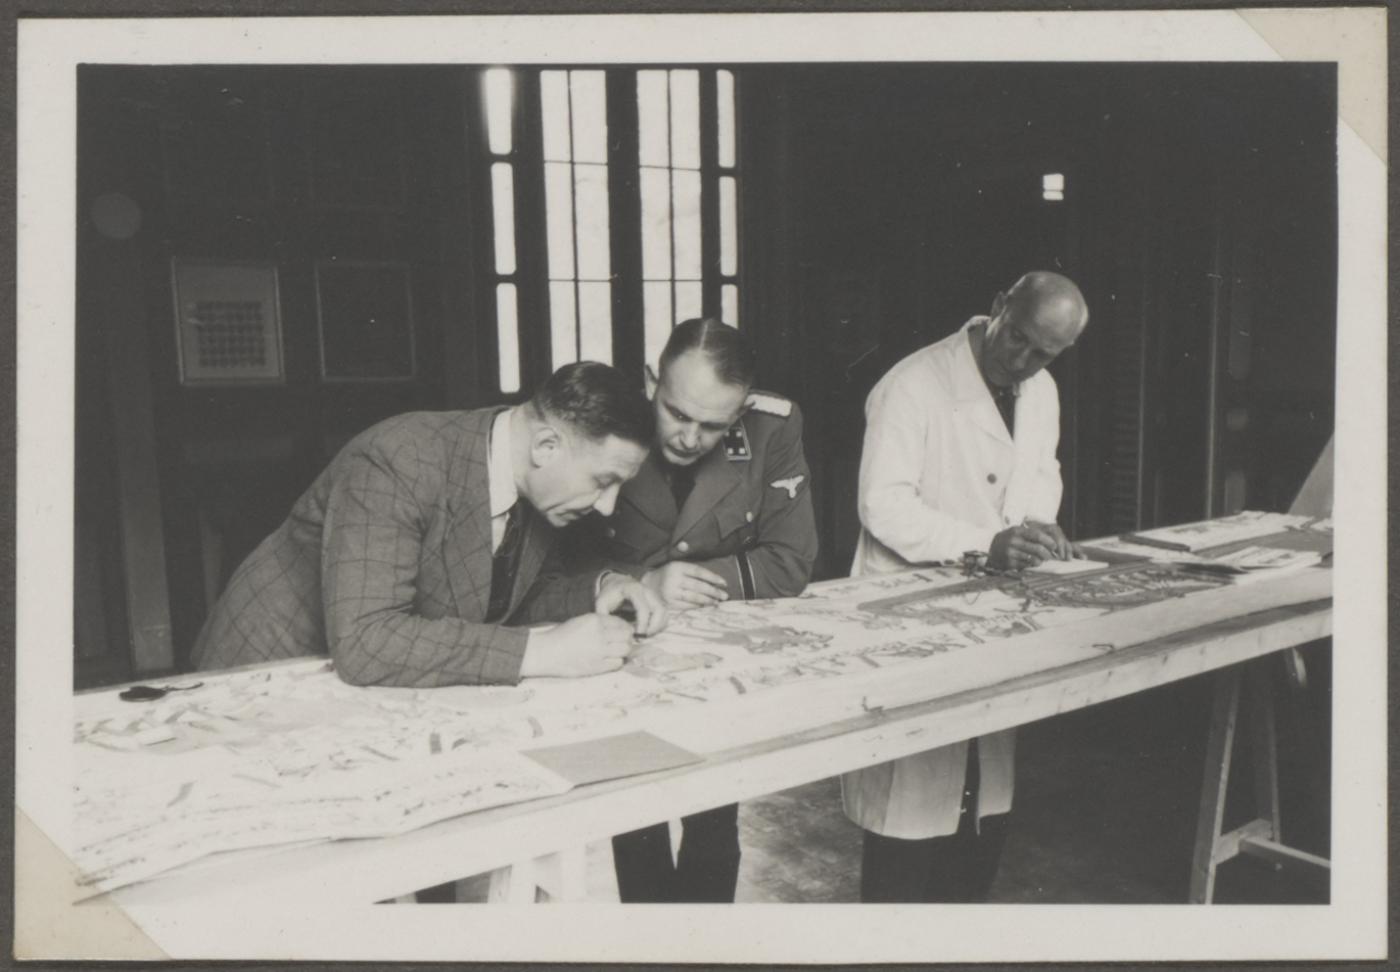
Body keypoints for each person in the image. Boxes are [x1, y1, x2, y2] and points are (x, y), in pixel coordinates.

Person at [842, 271, 1089, 903]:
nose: (1025, 362)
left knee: (979, 812)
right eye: (1019, 341)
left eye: (1045, 354)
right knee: (909, 823)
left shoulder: (1042, 389)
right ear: (999, 307)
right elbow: (882, 506)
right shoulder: (912, 385)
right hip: (912, 615)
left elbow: (1041, 474)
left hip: (992, 616)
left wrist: (1039, 523)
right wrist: (985, 544)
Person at [191, 361, 668, 687]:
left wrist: (599, 588)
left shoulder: (534, 480)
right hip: (265, 671)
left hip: (362, 682)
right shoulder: (399, 459)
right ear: (546, 445)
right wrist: (542, 654)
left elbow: (495, 598)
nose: (608, 507)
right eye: (604, 481)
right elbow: (367, 642)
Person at [568, 317, 818, 902]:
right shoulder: (604, 423)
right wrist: (644, 580)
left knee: (713, 819)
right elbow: (556, 562)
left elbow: (790, 561)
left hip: (715, 663)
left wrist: (701, 583)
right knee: (635, 820)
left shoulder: (773, 427)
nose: (688, 438)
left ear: (743, 408)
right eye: (677, 414)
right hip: (621, 654)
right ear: (652, 380)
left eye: (713, 426)